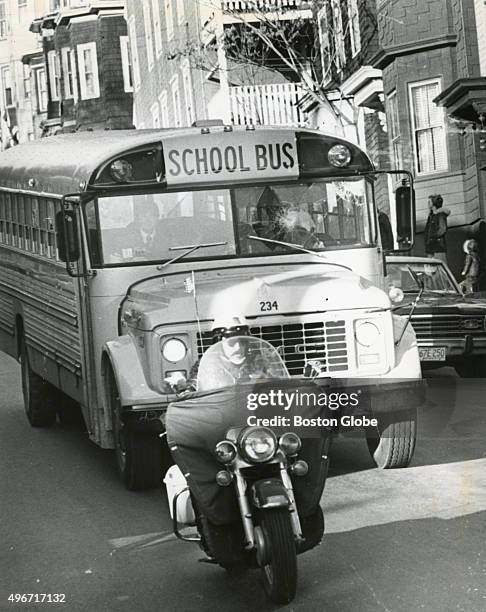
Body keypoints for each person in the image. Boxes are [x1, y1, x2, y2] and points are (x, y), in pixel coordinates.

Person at [248, 186, 323, 253]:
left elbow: (316, 247)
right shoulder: (261, 236)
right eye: (273, 209)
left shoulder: (301, 230)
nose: (275, 214)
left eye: (280, 209)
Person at [424, 194, 450, 263]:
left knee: (440, 269)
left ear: (434, 203)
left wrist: (433, 236)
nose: (427, 204)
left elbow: (443, 229)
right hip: (431, 247)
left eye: (429, 202)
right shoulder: (431, 216)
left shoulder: (440, 215)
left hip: (438, 247)